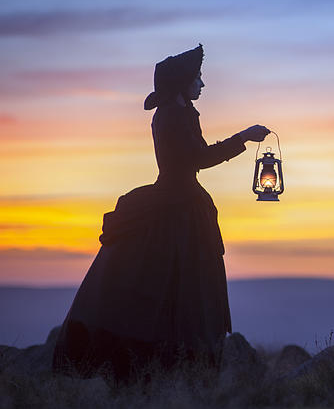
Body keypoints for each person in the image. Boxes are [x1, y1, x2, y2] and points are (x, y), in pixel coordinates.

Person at [52, 44, 269, 383]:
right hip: (175, 207)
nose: (202, 84)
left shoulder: (178, 113)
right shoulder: (171, 116)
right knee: (174, 285)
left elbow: (195, 159)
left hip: (180, 202)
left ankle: (173, 364)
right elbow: (197, 160)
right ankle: (163, 363)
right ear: (183, 82)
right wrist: (243, 137)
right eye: (198, 78)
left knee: (173, 284)